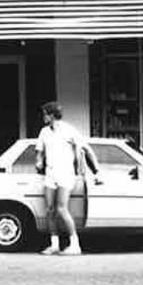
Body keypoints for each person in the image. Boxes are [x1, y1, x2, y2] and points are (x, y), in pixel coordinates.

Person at [35, 101, 101, 256]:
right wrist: (38, 160)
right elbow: (39, 151)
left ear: (51, 115)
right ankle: (54, 244)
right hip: (50, 174)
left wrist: (96, 172)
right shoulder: (44, 132)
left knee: (61, 208)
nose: (43, 117)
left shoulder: (69, 130)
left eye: (45, 114)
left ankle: (74, 244)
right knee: (50, 210)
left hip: (65, 174)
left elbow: (87, 150)